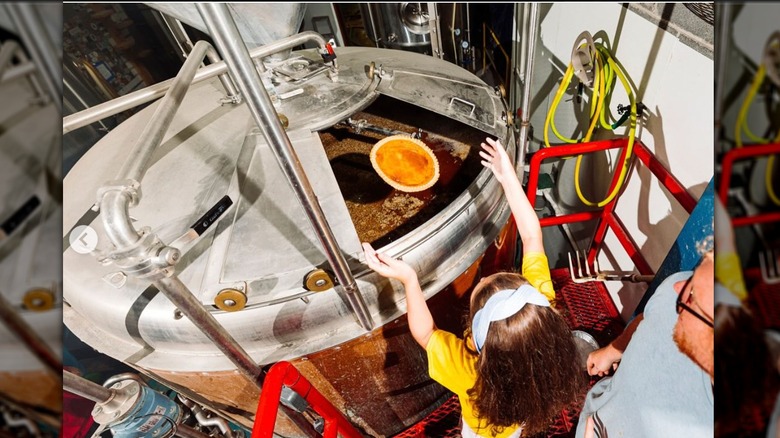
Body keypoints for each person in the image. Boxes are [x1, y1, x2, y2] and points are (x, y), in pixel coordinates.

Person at [363, 137, 584, 437]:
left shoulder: (471, 372)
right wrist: (508, 178)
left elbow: (425, 334)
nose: (481, 278)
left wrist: (409, 279)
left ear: (483, 348)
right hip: (519, 419)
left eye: (478, 292)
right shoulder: (539, 307)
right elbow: (532, 237)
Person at [576, 247, 714, 437]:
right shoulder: (673, 292)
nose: (677, 287)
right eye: (695, 276)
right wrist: (612, 351)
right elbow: (651, 316)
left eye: (693, 295)